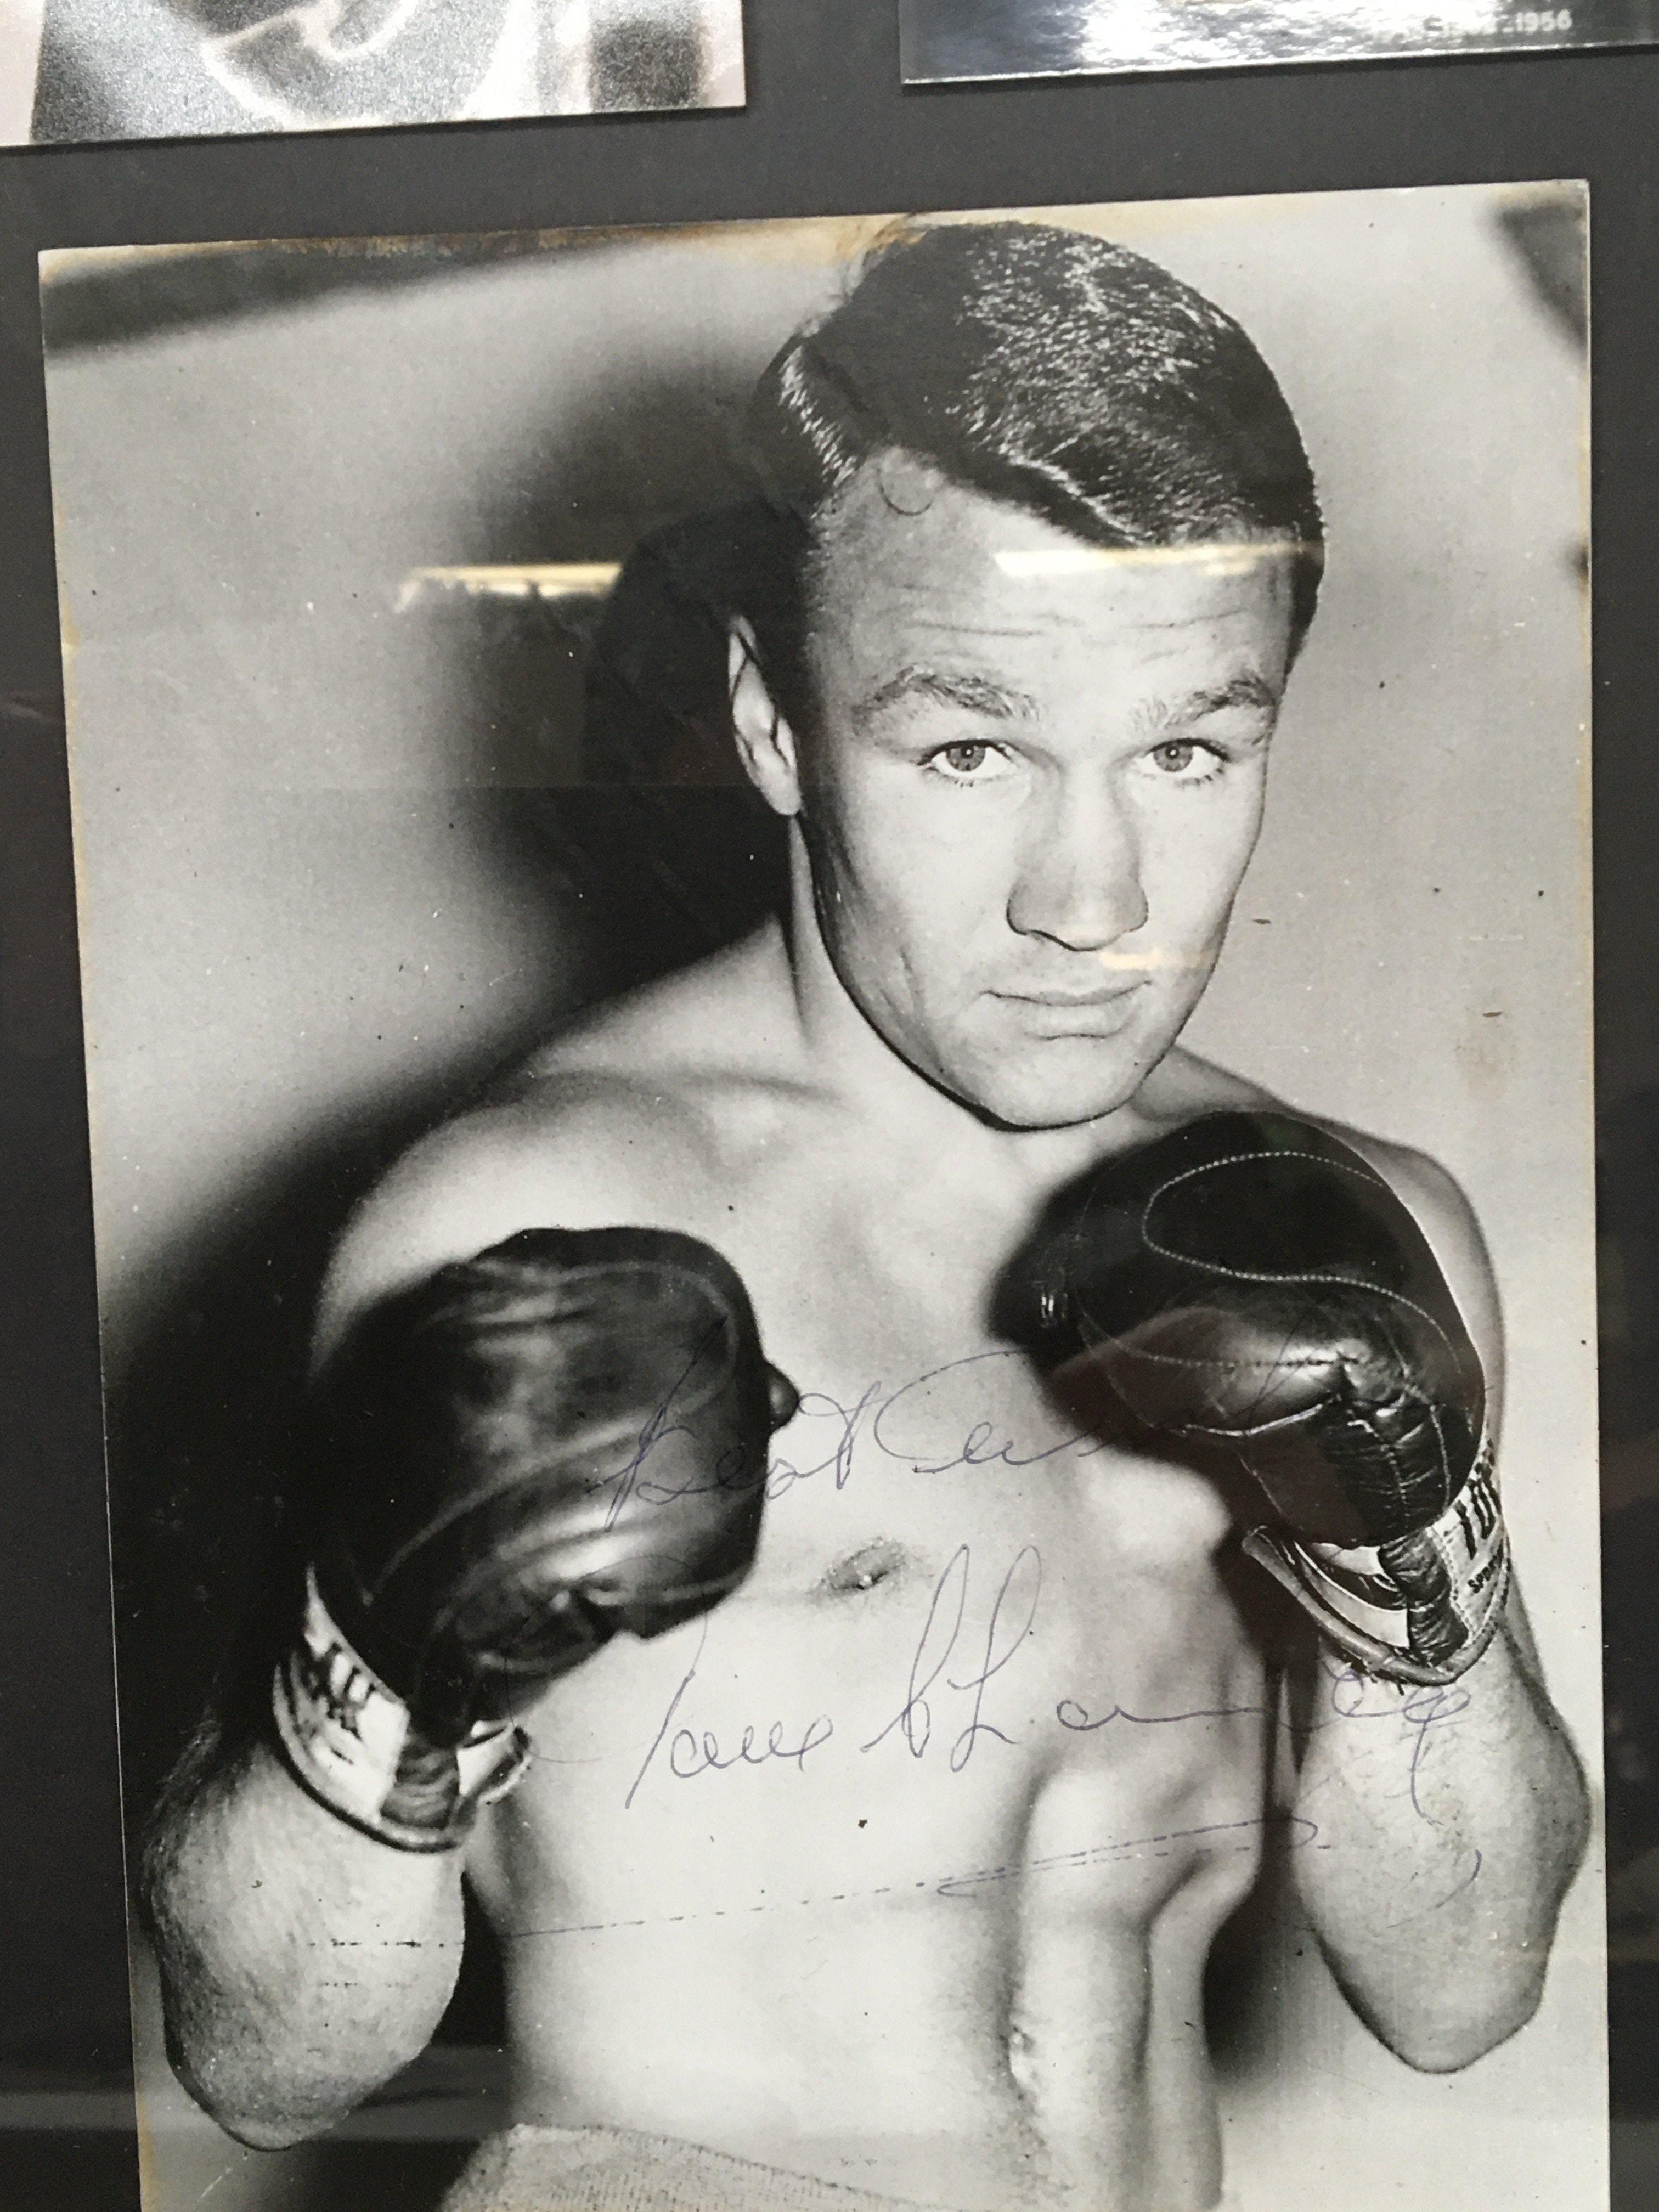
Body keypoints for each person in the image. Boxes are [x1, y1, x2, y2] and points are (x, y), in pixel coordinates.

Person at [139, 219, 1590, 2212]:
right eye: (971, 747)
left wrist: (1422, 1559)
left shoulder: (1350, 1229)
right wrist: (387, 1669)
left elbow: (1459, 1989)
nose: (1092, 899)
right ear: (771, 726)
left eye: (1188, 747)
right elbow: (264, 2066)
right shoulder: (532, 1214)